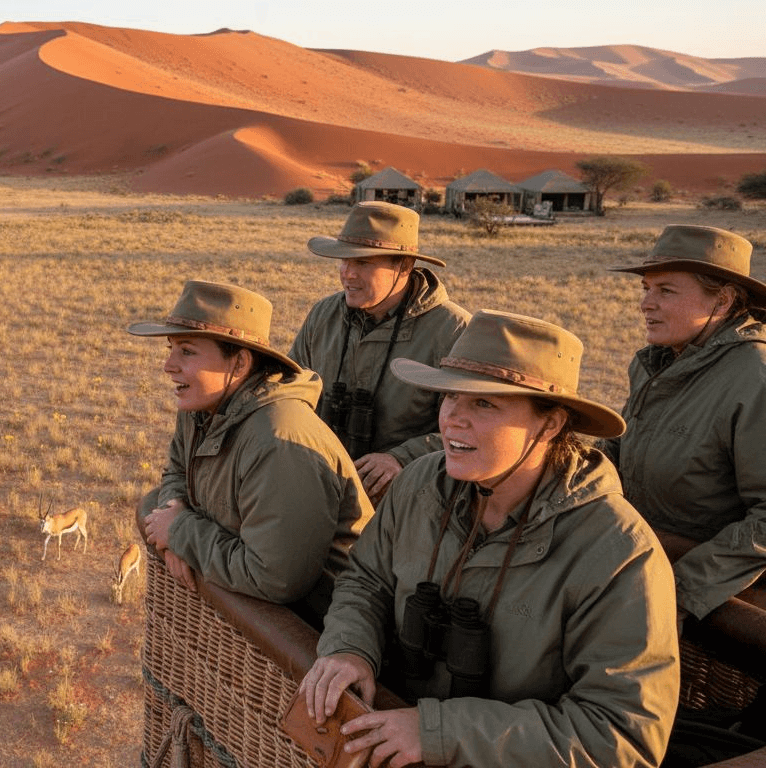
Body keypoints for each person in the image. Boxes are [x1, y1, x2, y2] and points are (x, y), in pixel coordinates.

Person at [299, 309, 679, 768]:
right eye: (449, 396)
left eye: (485, 404)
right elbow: (367, 577)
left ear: (552, 424)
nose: (452, 419)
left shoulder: (619, 555)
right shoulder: (420, 485)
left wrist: (439, 732)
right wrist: (349, 648)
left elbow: (621, 734)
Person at [132, 280, 373, 612]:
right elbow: (176, 469)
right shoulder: (202, 406)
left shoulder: (279, 443)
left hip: (317, 632)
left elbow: (275, 578)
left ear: (239, 364)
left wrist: (181, 533)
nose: (168, 365)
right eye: (170, 348)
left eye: (187, 352)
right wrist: (173, 519)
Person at [605, 225, 766, 625]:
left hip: (716, 597)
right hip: (637, 565)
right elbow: (620, 449)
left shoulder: (754, 378)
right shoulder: (653, 364)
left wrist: (678, 590)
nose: (646, 303)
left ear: (724, 300)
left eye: (666, 291)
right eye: (646, 288)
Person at [290, 201, 469, 504]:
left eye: (363, 263)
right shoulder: (323, 315)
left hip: (409, 500)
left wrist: (402, 458)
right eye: (343, 261)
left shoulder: (453, 331)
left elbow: (467, 430)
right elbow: (290, 394)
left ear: (404, 267)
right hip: (320, 488)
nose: (347, 274)